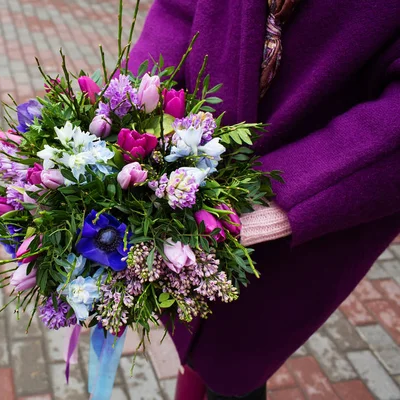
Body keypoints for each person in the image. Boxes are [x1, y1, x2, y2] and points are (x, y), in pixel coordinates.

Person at [129, 0, 400, 399]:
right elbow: (180, 8)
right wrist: (135, 113)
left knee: (235, 360)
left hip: (303, 205)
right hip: (184, 155)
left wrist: (278, 200)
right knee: (197, 345)